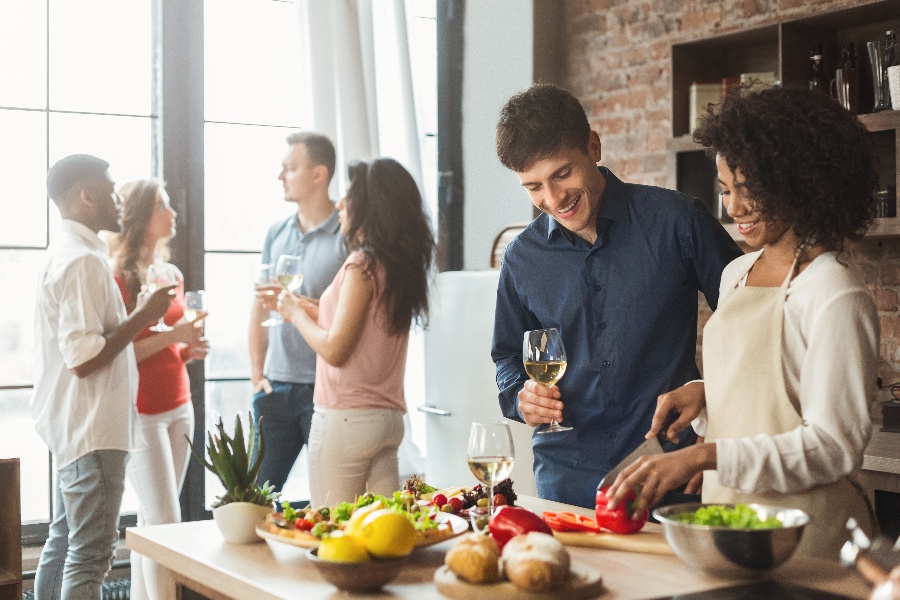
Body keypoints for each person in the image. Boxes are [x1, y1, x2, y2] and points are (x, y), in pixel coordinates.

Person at [605, 86, 879, 560]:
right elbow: (772, 388)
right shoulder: (736, 274)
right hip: (734, 523)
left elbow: (833, 446)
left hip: (812, 541)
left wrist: (707, 455)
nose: (733, 209)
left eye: (750, 190)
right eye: (726, 190)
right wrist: (708, 393)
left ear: (801, 181)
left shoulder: (834, 291)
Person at [491, 83, 743, 509]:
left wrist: (711, 397)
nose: (552, 199)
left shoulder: (678, 221)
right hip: (564, 482)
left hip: (670, 473)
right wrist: (520, 395)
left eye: (562, 174)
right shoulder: (520, 258)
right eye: (533, 187)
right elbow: (506, 359)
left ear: (594, 146)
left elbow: (749, 321)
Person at [31, 155, 174, 600]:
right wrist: (144, 315)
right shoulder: (82, 262)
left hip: (75, 426)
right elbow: (85, 358)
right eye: (110, 191)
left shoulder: (73, 253)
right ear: (85, 196)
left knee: (62, 545)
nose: (118, 201)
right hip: (93, 428)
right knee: (90, 556)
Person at [277, 157, 435, 506]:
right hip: (388, 422)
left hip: (346, 419)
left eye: (348, 196)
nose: (340, 205)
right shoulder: (396, 266)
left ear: (369, 207)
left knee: (335, 534)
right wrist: (314, 309)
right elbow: (368, 330)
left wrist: (294, 314)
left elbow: (335, 350)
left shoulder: (360, 264)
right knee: (383, 536)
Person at [108, 178, 209, 600]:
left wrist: (189, 350)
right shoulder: (118, 277)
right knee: (166, 525)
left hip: (180, 405)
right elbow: (121, 353)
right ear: (138, 217)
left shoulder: (171, 274)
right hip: (142, 412)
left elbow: (171, 346)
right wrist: (175, 337)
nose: (172, 213)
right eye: (162, 206)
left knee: (154, 523)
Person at [250, 131, 347, 495]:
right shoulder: (276, 233)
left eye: (290, 168)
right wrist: (256, 375)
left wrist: (299, 306)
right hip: (274, 388)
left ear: (319, 174)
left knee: (331, 497)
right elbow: (260, 308)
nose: (280, 176)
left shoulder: (347, 232)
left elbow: (356, 317)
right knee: (255, 498)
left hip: (325, 391)